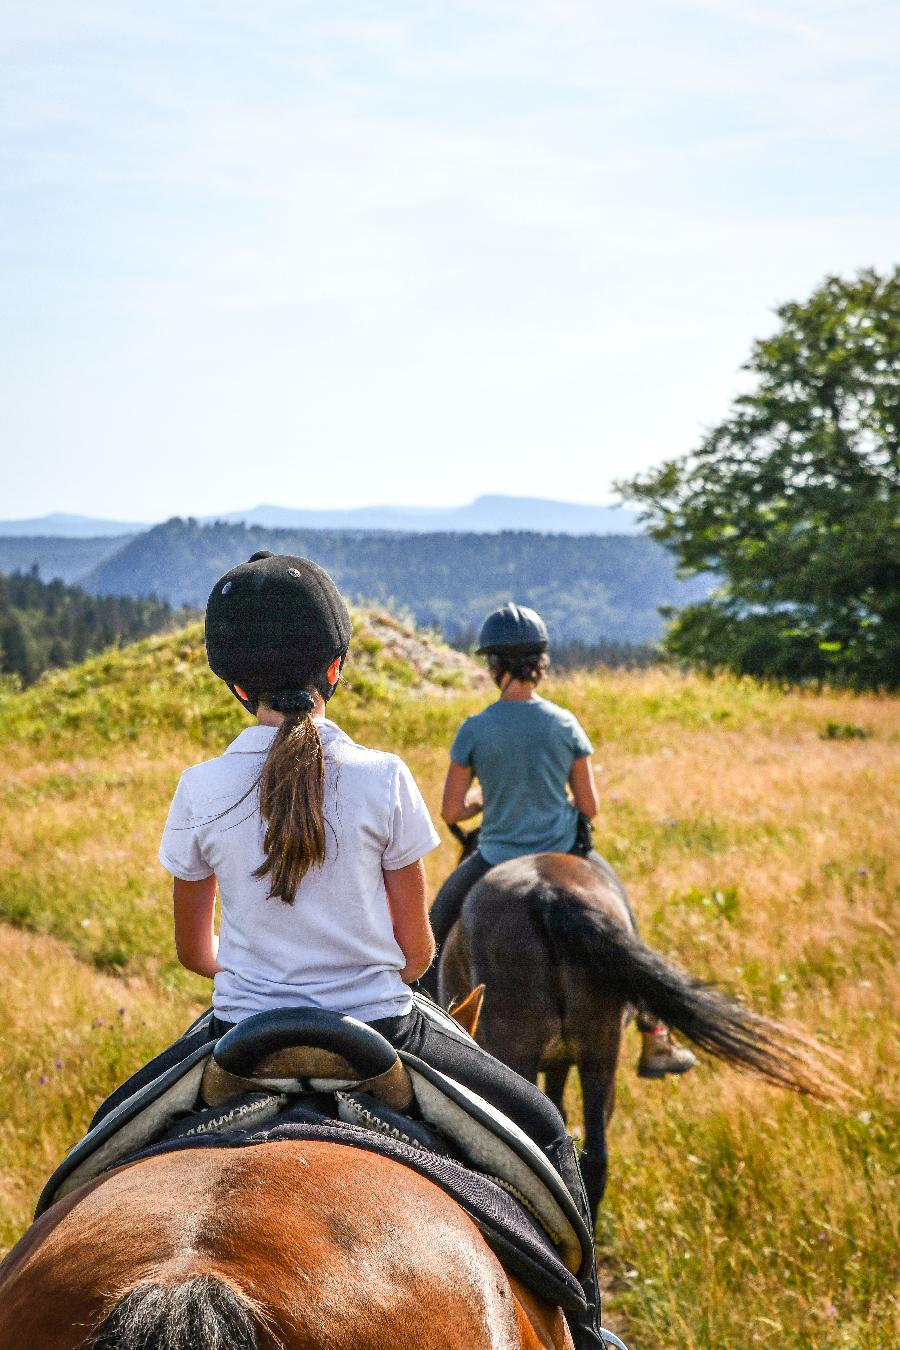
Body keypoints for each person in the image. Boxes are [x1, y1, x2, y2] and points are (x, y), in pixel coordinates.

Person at [153, 552, 608, 1350]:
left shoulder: (198, 786)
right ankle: (593, 1332)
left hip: (241, 1026)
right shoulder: (384, 775)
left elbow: (197, 952)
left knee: (96, 1141)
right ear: (336, 667)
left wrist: (265, 976)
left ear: (231, 683)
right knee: (546, 1134)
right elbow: (414, 948)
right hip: (381, 1026)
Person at [423, 602, 696, 1080]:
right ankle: (654, 1035)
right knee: (626, 925)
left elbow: (452, 810)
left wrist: (488, 799)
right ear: (540, 664)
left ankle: (425, 1034)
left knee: (435, 929)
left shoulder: (475, 728)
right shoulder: (565, 724)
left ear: (493, 666)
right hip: (566, 850)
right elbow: (590, 807)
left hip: (495, 857)